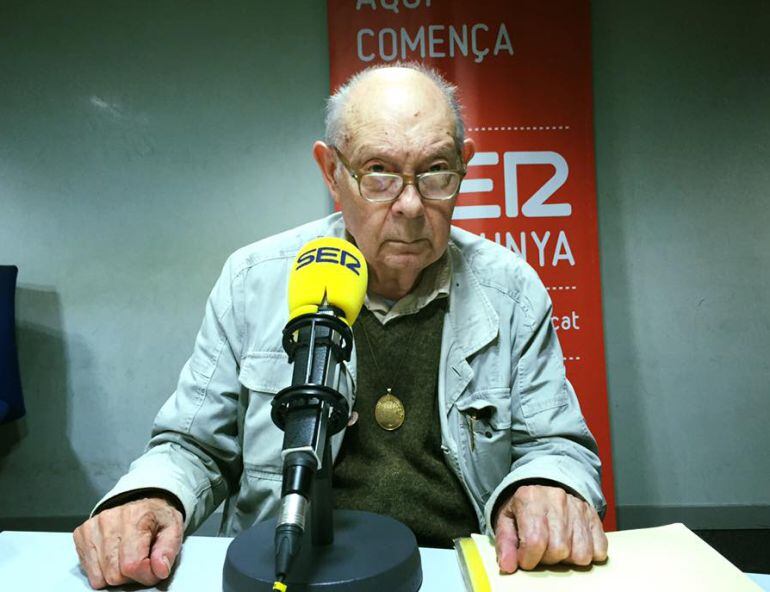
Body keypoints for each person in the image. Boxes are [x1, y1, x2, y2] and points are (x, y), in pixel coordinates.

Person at [73, 63, 608, 590]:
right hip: (288, 571)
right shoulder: (253, 280)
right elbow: (193, 445)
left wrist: (548, 484)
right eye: (378, 172)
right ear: (331, 171)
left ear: (464, 166)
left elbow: (555, 445)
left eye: (436, 171)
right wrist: (152, 496)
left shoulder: (510, 289)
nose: (410, 205)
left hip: (458, 572)